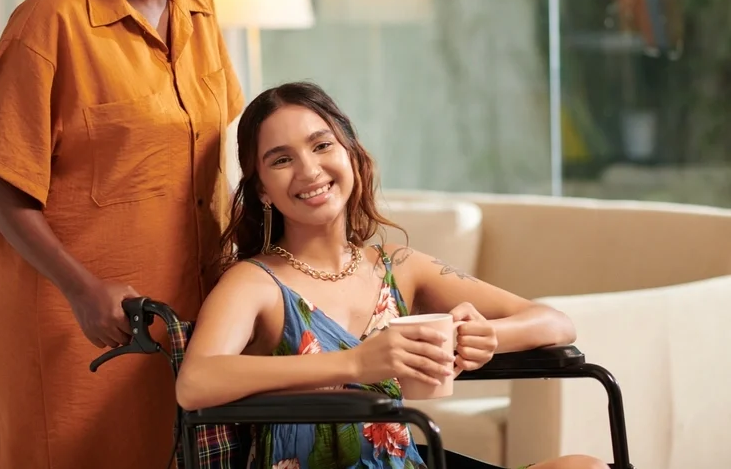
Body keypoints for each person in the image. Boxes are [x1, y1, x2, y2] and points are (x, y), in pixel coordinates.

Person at [0, 0, 244, 469]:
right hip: (80, 319)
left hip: (185, 314)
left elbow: (213, 155)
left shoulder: (200, 2)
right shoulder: (50, 20)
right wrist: (81, 287)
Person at [176, 81, 609, 469]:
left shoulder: (398, 266)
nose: (308, 170)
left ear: (351, 152)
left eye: (321, 146)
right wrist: (355, 362)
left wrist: (485, 338)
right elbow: (194, 383)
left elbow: (554, 322)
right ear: (262, 191)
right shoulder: (254, 282)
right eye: (281, 159)